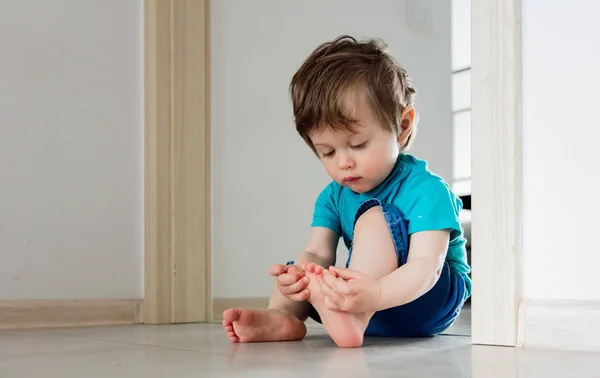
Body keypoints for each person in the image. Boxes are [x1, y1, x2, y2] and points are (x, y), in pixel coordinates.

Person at [222, 35, 471, 348]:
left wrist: (375, 295)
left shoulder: (427, 189)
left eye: (358, 145)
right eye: (327, 152)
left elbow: (427, 266)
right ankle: (282, 317)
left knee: (376, 214)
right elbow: (319, 251)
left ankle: (353, 317)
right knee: (304, 266)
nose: (343, 163)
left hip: (423, 300)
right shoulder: (334, 195)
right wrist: (300, 276)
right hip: (361, 298)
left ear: (402, 126)